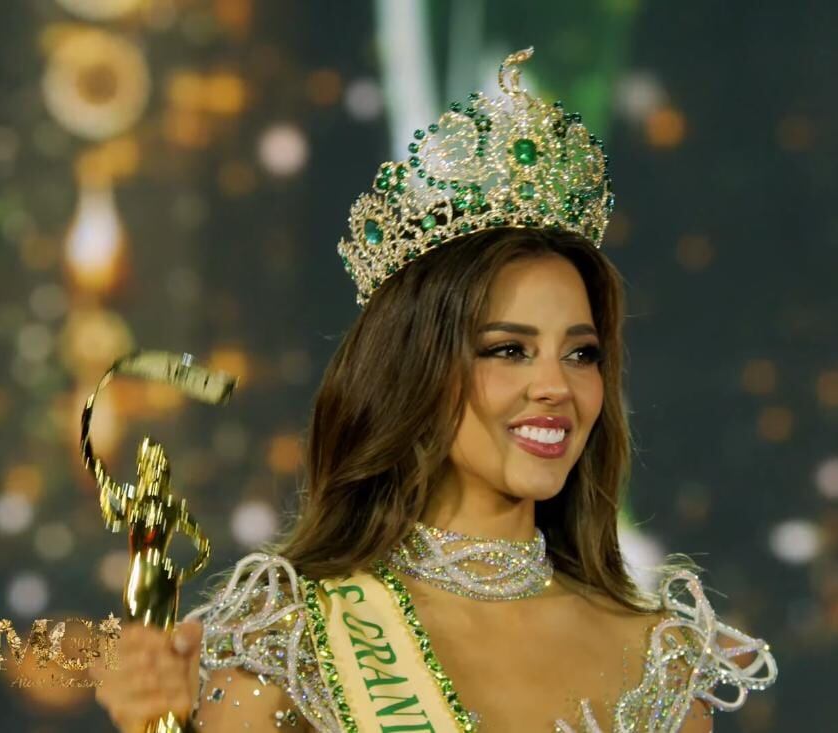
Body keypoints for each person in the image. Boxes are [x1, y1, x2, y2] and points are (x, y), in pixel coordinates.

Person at [91, 47, 777, 733]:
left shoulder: (656, 658)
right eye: (509, 350)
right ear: (416, 369)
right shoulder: (293, 638)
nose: (555, 386)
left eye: (581, 353)